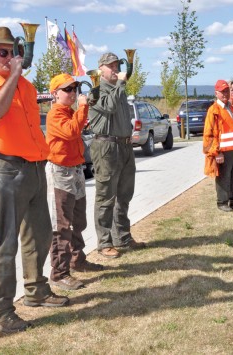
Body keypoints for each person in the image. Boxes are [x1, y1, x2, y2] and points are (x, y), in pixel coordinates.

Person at [0, 27, 69, 333]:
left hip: (35, 167)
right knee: (5, 243)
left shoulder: (25, 86)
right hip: (5, 169)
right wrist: (13, 76)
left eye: (14, 52)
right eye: (3, 53)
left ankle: (36, 291)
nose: (10, 58)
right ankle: (0, 312)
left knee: (40, 235)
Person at [45, 74, 104, 291]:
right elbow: (71, 132)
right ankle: (59, 273)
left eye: (75, 88)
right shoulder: (55, 115)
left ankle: (77, 260)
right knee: (61, 225)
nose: (72, 93)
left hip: (75, 170)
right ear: (55, 93)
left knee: (78, 221)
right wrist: (82, 108)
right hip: (60, 172)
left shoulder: (69, 112)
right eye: (67, 89)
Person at [88, 52, 146, 258]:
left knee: (124, 194)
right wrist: (120, 84)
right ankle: (104, 243)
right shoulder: (96, 90)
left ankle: (122, 235)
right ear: (100, 69)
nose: (115, 69)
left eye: (117, 65)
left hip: (124, 146)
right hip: (106, 148)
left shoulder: (118, 90)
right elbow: (109, 107)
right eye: (111, 66)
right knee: (106, 197)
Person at [203, 79, 233, 212]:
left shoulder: (230, 107)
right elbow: (209, 134)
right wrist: (216, 152)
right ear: (216, 93)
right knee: (224, 176)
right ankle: (222, 202)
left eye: (226, 91)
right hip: (223, 151)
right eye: (222, 91)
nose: (225, 94)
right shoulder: (214, 110)